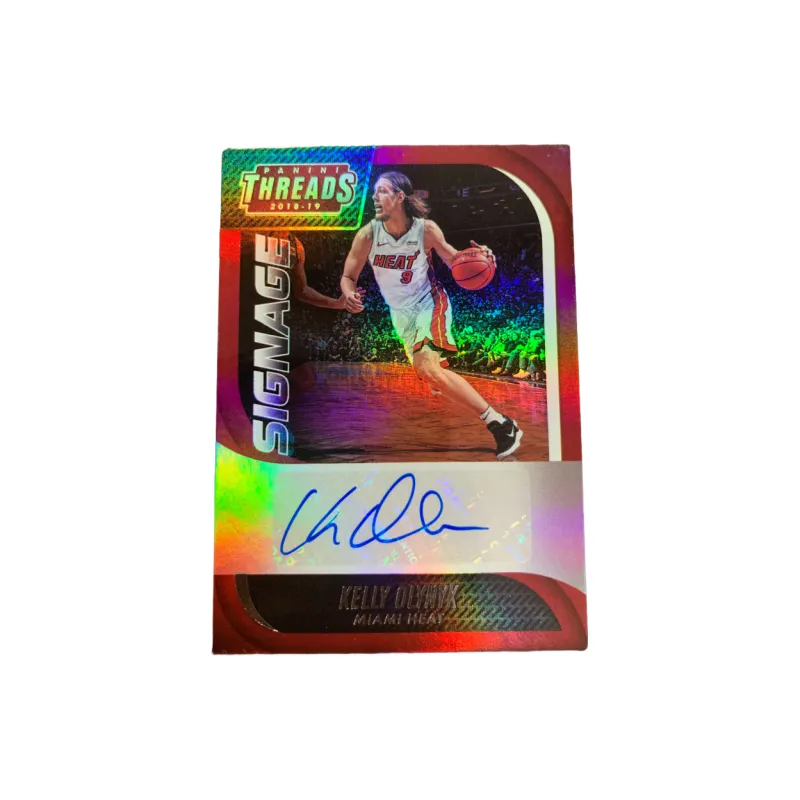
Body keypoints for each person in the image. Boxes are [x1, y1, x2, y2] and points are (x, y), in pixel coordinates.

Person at [339, 171, 523, 459]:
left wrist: (481, 256)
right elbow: (348, 276)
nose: (375, 196)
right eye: (375, 191)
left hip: (429, 302)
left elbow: (455, 260)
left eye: (382, 191)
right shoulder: (367, 235)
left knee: (428, 368)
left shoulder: (425, 230)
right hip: (399, 315)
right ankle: (498, 421)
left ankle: (500, 424)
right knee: (432, 377)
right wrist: (349, 292)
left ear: (400, 197)